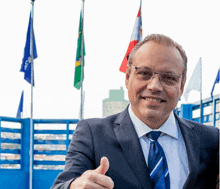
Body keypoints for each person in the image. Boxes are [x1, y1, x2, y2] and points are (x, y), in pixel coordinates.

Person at [51, 34, 219, 189]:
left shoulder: (210, 139)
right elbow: (61, 185)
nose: (154, 86)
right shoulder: (93, 134)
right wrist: (75, 185)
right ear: (127, 78)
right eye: (144, 73)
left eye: (168, 78)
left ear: (181, 87)